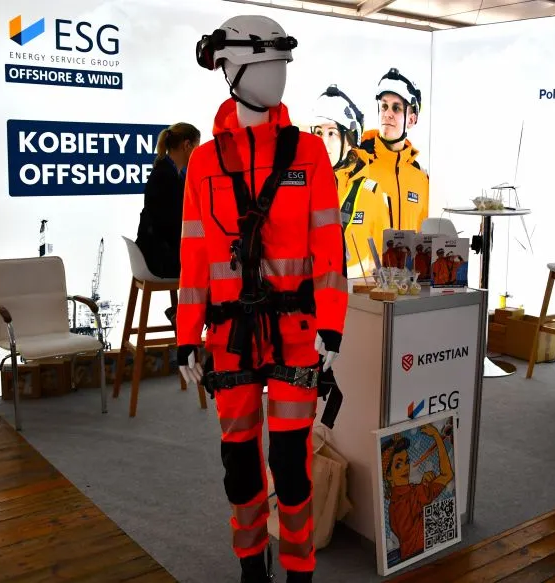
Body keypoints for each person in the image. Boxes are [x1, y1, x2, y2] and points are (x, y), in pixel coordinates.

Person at [180, 15, 347, 583]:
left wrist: (332, 324)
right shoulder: (203, 163)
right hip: (229, 339)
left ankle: (299, 569)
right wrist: (186, 335)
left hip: (297, 335)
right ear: (228, 69)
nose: (278, 77)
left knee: (292, 466)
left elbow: (329, 248)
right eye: (265, 65)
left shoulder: (309, 153)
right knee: (240, 466)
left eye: (282, 65)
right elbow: (194, 257)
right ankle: (252, 566)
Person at [311, 85, 389, 278]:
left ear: (349, 141)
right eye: (319, 133)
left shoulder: (371, 193)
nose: (323, 142)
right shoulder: (302, 188)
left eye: (332, 133)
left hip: (356, 294)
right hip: (312, 293)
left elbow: (383, 260)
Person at [360, 68, 429, 232]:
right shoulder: (358, 166)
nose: (387, 114)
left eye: (396, 108)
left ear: (411, 120)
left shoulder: (422, 179)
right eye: (384, 106)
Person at [135, 123, 201, 279]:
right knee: (210, 264)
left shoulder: (170, 172)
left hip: (158, 251)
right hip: (159, 259)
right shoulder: (165, 177)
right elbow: (171, 226)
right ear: (187, 145)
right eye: (197, 147)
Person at [381, 422, 453, 562]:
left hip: (417, 553)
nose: (405, 468)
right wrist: (437, 436)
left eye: (406, 462)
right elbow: (447, 474)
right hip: (420, 553)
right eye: (398, 465)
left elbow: (446, 475)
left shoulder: (401, 500)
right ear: (388, 475)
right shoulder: (411, 497)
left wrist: (423, 484)